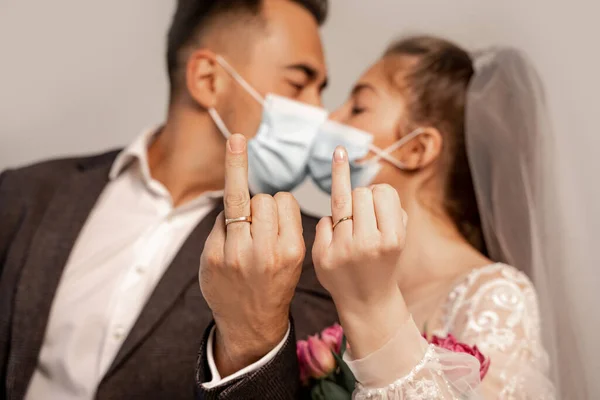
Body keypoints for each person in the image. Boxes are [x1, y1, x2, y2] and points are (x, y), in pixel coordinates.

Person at [0, 0, 339, 399]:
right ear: (208, 79)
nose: (320, 111)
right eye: (299, 84)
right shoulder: (26, 191)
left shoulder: (312, 255)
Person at [308, 36, 578, 398]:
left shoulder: (493, 295)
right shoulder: (340, 284)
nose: (331, 118)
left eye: (358, 107)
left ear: (417, 149)